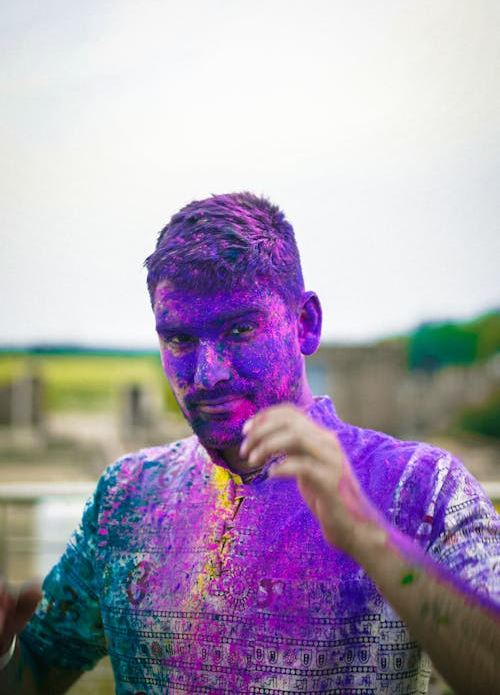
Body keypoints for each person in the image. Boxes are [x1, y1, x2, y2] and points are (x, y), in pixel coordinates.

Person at [1, 192, 499, 695]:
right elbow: (37, 670)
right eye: (179, 340)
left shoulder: (421, 488)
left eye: (240, 329)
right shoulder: (127, 497)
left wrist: (372, 540)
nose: (207, 373)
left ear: (305, 323)